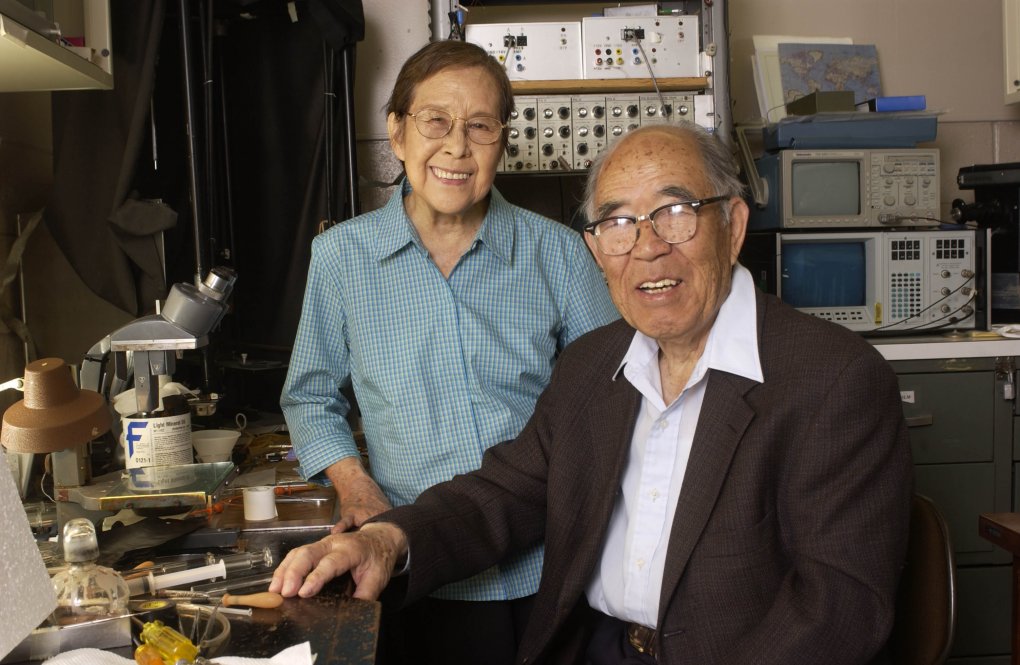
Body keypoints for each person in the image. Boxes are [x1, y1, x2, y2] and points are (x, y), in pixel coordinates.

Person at [272, 121, 913, 665]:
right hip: (593, 648)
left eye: (676, 213)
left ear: (734, 224)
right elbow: (506, 491)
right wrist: (386, 540)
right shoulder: (593, 366)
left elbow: (839, 608)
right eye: (619, 224)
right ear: (596, 249)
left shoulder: (834, 379)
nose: (648, 248)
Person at [279, 40, 618, 665]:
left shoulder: (561, 255)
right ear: (398, 132)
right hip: (409, 561)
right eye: (436, 121)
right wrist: (354, 485)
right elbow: (309, 396)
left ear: (502, 141)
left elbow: (612, 400)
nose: (457, 147)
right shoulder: (341, 258)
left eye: (481, 126)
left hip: (547, 565)